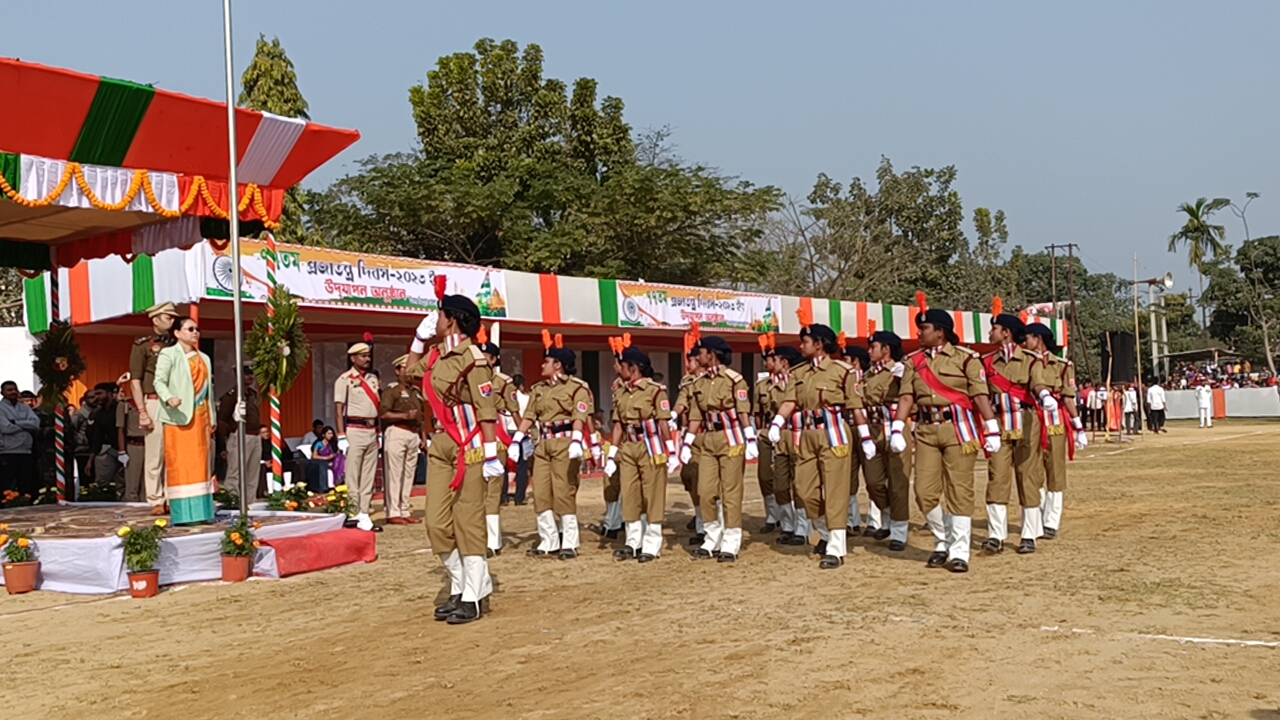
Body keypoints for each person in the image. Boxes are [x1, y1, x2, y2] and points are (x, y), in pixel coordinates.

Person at [404, 287, 502, 625]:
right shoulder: (433, 356)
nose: (436, 319)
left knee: (469, 520)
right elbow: (408, 373)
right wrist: (418, 339)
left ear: (453, 321)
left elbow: (486, 409)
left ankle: (472, 596)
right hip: (442, 445)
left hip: (470, 446)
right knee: (436, 523)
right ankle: (461, 584)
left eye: (441, 314)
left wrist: (491, 454)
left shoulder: (473, 359)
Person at [896, 296, 998, 573]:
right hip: (927, 430)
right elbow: (906, 396)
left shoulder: (966, 359)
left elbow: (979, 396)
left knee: (959, 490)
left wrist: (991, 427)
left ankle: (959, 551)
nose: (919, 333)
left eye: (924, 328)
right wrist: (897, 426)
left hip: (959, 429)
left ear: (940, 331)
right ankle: (944, 539)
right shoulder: (912, 362)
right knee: (924, 491)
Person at [767, 320, 870, 569]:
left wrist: (865, 436)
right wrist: (777, 421)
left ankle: (835, 546)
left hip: (833, 433)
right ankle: (825, 531)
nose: (801, 346)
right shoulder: (798, 374)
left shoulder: (843, 371)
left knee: (835, 491)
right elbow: (790, 400)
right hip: (807, 435)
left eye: (806, 342)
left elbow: (855, 406)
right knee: (804, 490)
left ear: (820, 344)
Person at [510, 332, 594, 560]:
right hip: (543, 443)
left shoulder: (577, 387)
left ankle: (569, 542)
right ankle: (548, 541)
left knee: (564, 492)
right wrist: (517, 438)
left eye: (546, 361)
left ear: (558, 365)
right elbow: (530, 415)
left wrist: (578, 438)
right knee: (540, 493)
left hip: (565, 441)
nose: (542, 365)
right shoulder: (538, 389)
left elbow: (580, 414)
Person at [681, 335, 756, 564]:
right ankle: (712, 535)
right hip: (708, 440)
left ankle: (731, 539)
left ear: (711, 354)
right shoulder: (698, 383)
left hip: (731, 436)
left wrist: (750, 436)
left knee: (731, 491)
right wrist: (688, 441)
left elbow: (743, 410)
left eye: (701, 352)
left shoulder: (734, 380)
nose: (698, 356)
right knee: (705, 490)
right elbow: (695, 414)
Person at [979, 309, 1046, 556]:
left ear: (1005, 333)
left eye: (994, 329)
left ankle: (1028, 534)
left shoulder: (1031, 360)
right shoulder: (986, 362)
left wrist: (1044, 394)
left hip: (1026, 421)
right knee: (997, 477)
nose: (990, 333)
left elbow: (1037, 382)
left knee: (1027, 476)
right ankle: (996, 534)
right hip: (998, 423)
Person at [605, 339, 677, 562]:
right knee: (630, 493)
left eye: (623, 366)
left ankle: (652, 543)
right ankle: (633, 541)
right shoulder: (621, 392)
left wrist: (672, 450)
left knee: (652, 494)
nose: (619, 370)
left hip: (651, 445)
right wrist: (611, 454)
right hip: (629, 445)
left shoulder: (655, 391)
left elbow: (663, 423)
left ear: (633, 368)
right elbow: (618, 424)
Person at [1024, 323, 1086, 541]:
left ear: (1038, 339)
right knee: (1032, 469)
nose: (1025, 342)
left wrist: (1078, 425)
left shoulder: (1061, 365)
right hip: (1030, 419)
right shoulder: (1024, 361)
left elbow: (1068, 397)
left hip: (1055, 421)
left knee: (1055, 470)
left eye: (1028, 338)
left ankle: (1052, 519)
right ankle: (1038, 514)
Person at [152, 317, 215, 525]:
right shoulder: (168, 354)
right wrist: (169, 397)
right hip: (178, 418)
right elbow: (158, 381)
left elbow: (209, 392)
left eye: (197, 329)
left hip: (201, 417)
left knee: (200, 465)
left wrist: (212, 417)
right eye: (189, 329)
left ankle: (203, 512)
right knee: (181, 466)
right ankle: (182, 514)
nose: (195, 332)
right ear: (177, 333)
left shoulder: (204, 358)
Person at [860, 326, 915, 552]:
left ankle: (899, 531)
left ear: (887, 349)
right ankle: (888, 514)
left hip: (894, 427)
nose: (869, 351)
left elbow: (909, 396)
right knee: (873, 482)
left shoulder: (900, 370)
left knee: (898, 483)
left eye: (873, 347)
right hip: (873, 430)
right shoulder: (867, 374)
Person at [129, 301, 178, 515]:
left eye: (173, 317)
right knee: (154, 454)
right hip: (154, 401)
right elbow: (135, 380)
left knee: (173, 454)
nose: (172, 320)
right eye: (168, 316)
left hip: (176, 403)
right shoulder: (143, 345)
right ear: (155, 319)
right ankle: (156, 499)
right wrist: (141, 411)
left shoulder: (178, 344)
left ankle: (171, 497)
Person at [334, 340, 382, 532]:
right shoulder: (344, 380)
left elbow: (376, 407)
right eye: (362, 356)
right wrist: (341, 435)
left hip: (371, 430)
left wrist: (379, 432)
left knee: (369, 475)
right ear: (353, 358)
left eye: (368, 355)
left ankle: (364, 512)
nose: (367, 359)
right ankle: (353, 513)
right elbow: (339, 410)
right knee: (353, 474)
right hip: (354, 429)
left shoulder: (372, 379)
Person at [478, 337, 519, 554]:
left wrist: (522, 436)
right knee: (475, 491)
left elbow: (513, 410)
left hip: (497, 437)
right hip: (474, 439)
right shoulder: (467, 379)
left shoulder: (503, 382)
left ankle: (492, 541)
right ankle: (476, 536)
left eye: (487, 357)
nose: (482, 360)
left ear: (494, 359)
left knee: (493, 492)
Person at [769, 345, 809, 546]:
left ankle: (802, 529)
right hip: (781, 439)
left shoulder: (802, 381)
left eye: (775, 359)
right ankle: (788, 525)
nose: (771, 363)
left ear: (784, 362)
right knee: (780, 485)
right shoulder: (771, 387)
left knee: (801, 486)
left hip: (800, 437)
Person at [380, 355, 426, 526]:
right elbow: (384, 413)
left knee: (409, 474)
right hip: (397, 431)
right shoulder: (391, 390)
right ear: (397, 371)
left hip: (413, 434)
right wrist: (404, 415)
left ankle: (404, 509)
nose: (408, 372)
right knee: (395, 473)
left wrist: (423, 437)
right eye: (404, 368)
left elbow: (421, 417)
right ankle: (393, 511)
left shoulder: (416, 391)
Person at [672, 337, 706, 544]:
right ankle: (700, 515)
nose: (688, 364)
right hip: (690, 433)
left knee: (705, 481)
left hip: (708, 433)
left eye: (692, 360)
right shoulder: (687, 382)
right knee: (689, 477)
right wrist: (672, 415)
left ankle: (706, 526)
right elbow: (682, 402)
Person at [217, 365, 262, 503]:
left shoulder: (253, 394)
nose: (250, 377)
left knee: (253, 474)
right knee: (235, 472)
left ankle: (249, 502)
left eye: (251, 374)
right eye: (246, 374)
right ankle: (232, 501)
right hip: (239, 435)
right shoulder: (232, 395)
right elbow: (222, 420)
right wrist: (226, 441)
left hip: (255, 436)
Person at [752, 334, 781, 533]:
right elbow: (758, 412)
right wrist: (758, 432)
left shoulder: (791, 382)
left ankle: (790, 518)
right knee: (764, 476)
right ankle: (772, 515)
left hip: (787, 431)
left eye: (770, 359)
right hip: (766, 431)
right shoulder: (761, 386)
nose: (767, 363)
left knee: (784, 476)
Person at [0, 380, 41, 495]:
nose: (13, 392)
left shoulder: (25, 408)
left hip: (26, 451)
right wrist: (26, 425)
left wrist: (16, 422)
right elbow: (6, 428)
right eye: (9, 390)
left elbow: (35, 424)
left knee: (26, 485)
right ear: (2, 392)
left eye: (15, 389)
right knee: (7, 485)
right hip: (8, 452)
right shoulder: (1, 409)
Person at [88, 382, 124, 494]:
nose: (97, 397)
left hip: (128, 449)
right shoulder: (98, 413)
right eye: (95, 394)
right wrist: (90, 460)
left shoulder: (121, 407)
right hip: (111, 450)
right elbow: (97, 437)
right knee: (102, 480)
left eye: (99, 393)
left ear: (109, 394)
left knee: (125, 480)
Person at [502, 374, 532, 506]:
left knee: (503, 466)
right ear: (521, 385)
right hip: (520, 432)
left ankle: (503, 497)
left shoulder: (503, 397)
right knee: (522, 466)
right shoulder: (526, 399)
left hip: (505, 432)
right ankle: (520, 497)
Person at [117, 374, 147, 503]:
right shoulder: (125, 405)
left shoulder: (151, 402)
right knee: (132, 483)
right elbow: (120, 429)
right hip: (133, 445)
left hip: (149, 443)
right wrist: (122, 451)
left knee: (149, 484)